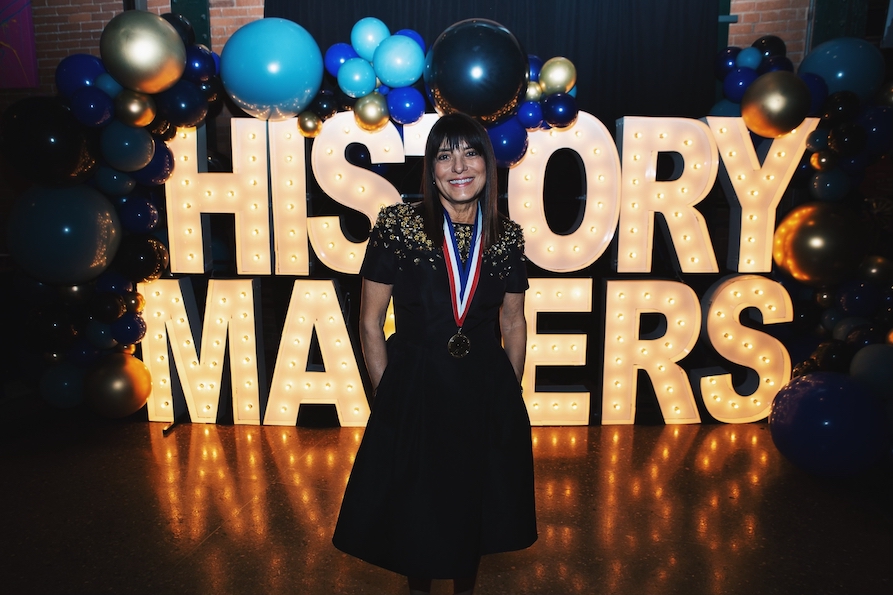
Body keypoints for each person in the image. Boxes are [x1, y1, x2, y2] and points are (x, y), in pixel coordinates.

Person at [332, 112, 537, 595]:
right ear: (431, 167)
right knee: (418, 502)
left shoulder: (506, 236)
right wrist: (389, 392)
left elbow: (512, 320)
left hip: (482, 385)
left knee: (473, 498)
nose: (458, 166)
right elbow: (369, 321)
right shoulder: (399, 225)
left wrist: (506, 393)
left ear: (488, 163)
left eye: (470, 152)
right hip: (417, 383)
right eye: (444, 155)